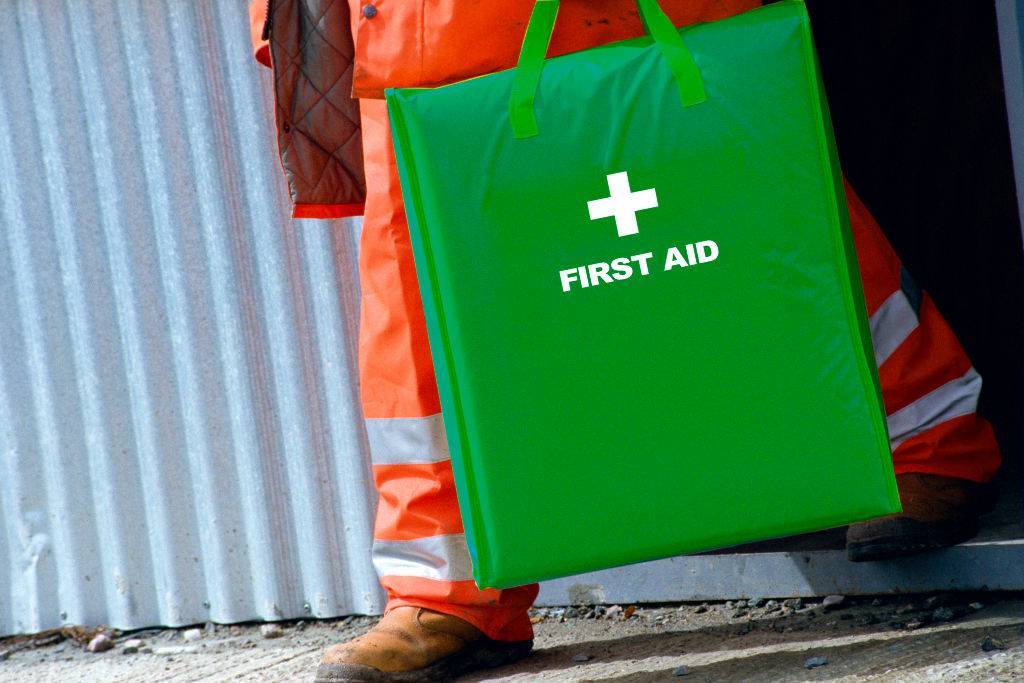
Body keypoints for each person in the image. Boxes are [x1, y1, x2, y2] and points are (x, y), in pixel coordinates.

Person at [248, 1, 1002, 680]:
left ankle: (926, 441)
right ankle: (447, 588)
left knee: (762, 198)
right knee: (420, 290)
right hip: (423, 33)